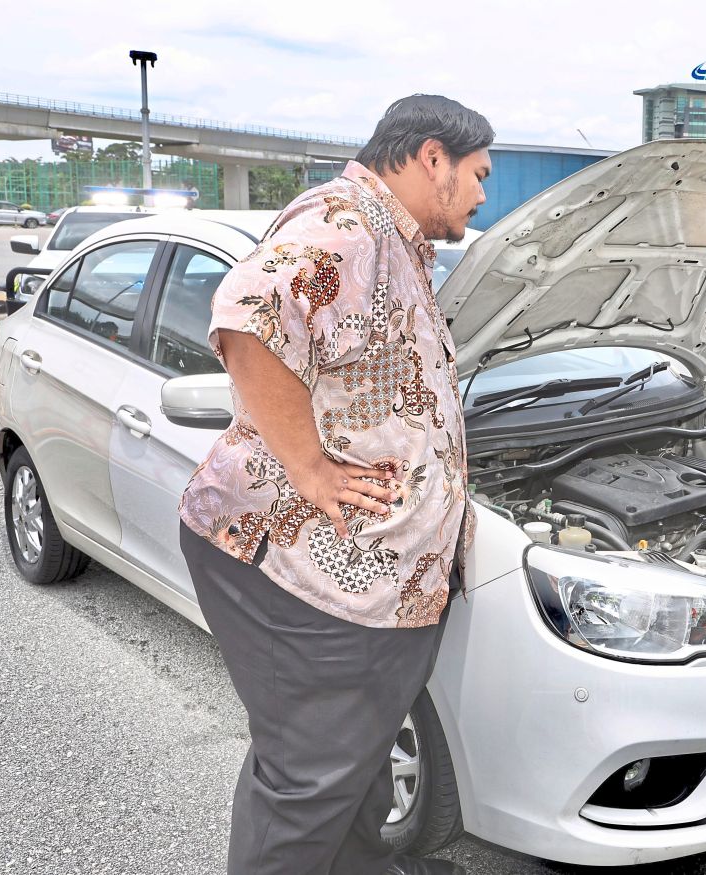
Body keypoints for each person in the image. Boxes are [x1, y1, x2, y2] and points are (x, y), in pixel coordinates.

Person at [178, 94, 493, 875]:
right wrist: (311, 467)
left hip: (370, 584)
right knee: (309, 784)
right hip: (311, 580)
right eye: (479, 175)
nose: (485, 194)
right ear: (431, 158)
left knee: (355, 771)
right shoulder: (349, 222)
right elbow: (248, 316)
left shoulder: (396, 238)